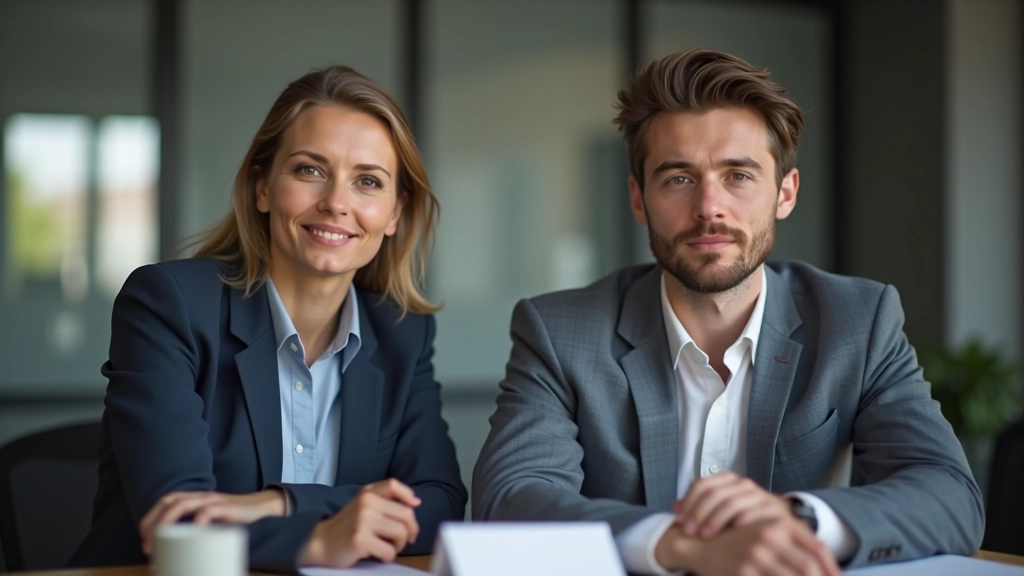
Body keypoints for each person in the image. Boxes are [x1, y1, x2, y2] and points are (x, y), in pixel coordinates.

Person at [472, 48, 982, 576]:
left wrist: (798, 520)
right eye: (678, 178)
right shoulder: (560, 332)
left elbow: (948, 494)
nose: (709, 208)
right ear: (638, 199)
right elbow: (510, 498)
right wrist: (676, 545)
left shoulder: (858, 321)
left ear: (785, 193)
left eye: (738, 175)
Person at [71, 66, 466, 573]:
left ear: (393, 213)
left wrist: (282, 503)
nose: (336, 203)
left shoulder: (401, 334)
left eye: (368, 181)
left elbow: (438, 505)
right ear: (262, 188)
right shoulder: (168, 304)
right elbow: (178, 521)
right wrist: (316, 540)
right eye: (309, 171)